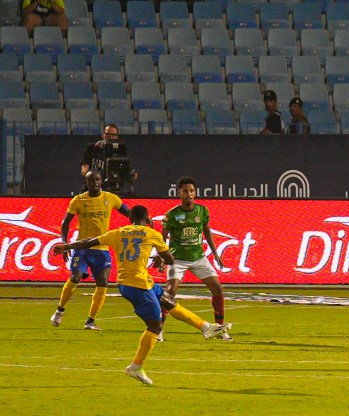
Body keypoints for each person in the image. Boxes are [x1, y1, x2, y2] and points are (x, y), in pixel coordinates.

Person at [53, 204, 229, 386]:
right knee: (155, 325)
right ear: (148, 218)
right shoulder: (151, 234)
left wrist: (65, 246)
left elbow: (87, 242)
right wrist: (158, 254)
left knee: (168, 301)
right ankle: (136, 366)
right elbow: (169, 259)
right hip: (137, 286)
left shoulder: (118, 232)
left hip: (132, 283)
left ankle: (206, 328)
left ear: (130, 219)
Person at [51, 170, 131, 330]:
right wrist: (65, 243)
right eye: (91, 180)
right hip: (82, 248)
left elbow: (129, 213)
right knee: (75, 277)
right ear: (86, 182)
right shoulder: (78, 201)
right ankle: (60, 310)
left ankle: (90, 321)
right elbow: (65, 223)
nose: (95, 182)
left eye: (98, 179)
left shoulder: (111, 198)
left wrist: (142, 221)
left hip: (101, 248)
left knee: (103, 283)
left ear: (102, 181)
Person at [156, 176, 229, 342]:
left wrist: (215, 253)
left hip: (198, 258)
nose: (189, 194)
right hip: (178, 259)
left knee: (217, 288)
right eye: (185, 191)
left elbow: (207, 231)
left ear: (195, 193)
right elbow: (163, 238)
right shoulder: (172, 215)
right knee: (170, 293)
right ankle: (158, 330)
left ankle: (220, 329)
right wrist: (162, 257)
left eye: (191, 191)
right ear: (179, 193)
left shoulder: (202, 211)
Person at [81, 123, 137, 193]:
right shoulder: (91, 149)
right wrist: (92, 180)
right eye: (107, 134)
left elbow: (129, 170)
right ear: (103, 135)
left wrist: (132, 175)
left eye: (113, 135)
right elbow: (84, 170)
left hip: (114, 189)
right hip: (93, 190)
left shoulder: (121, 151)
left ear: (116, 137)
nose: (110, 137)